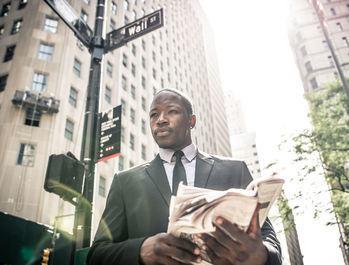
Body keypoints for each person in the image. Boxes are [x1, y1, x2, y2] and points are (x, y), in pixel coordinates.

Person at [87, 89, 281, 265]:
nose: (160, 119)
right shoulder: (125, 181)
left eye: (172, 111)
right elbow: (96, 255)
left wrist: (262, 256)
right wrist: (140, 250)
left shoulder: (234, 169)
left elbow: (267, 235)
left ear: (192, 120)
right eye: (154, 114)